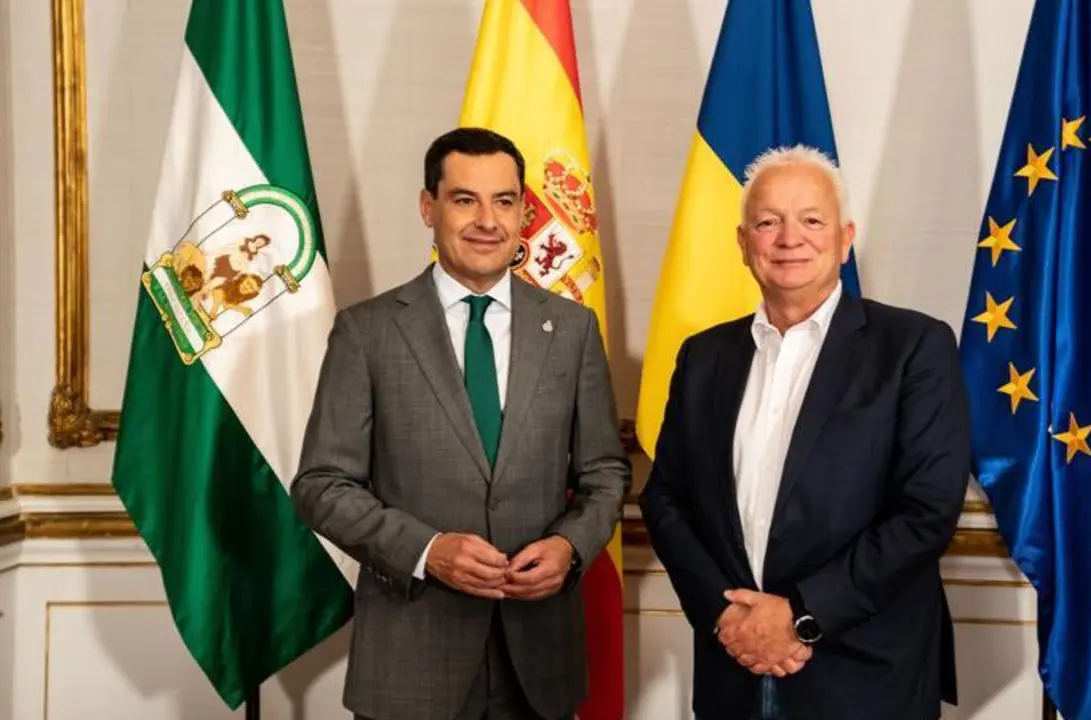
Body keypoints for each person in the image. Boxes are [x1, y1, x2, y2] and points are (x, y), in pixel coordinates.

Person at [291, 127, 630, 720]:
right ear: (429, 208)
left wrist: (569, 547)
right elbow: (321, 485)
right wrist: (427, 550)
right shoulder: (368, 331)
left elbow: (604, 473)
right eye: (464, 200)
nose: (487, 221)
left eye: (504, 201)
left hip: (539, 662)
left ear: (523, 213)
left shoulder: (572, 330)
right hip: (410, 663)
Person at [639, 145, 970, 719]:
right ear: (743, 243)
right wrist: (726, 616)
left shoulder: (914, 347)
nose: (790, 238)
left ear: (845, 239)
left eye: (812, 220)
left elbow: (926, 512)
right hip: (732, 670)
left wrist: (799, 616)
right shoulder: (703, 357)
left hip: (864, 679)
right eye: (768, 222)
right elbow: (666, 499)